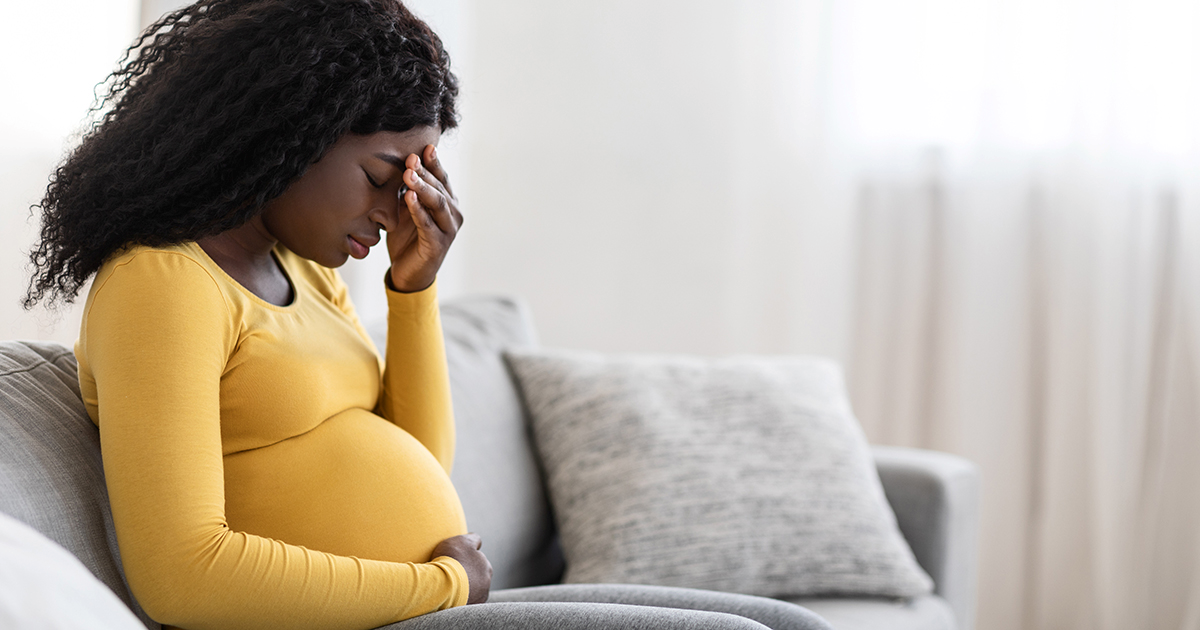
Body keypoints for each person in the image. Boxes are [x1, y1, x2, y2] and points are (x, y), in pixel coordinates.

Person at [25, 1, 826, 629]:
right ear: (286, 135)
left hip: (412, 607)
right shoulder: (162, 283)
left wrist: (414, 292)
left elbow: (421, 462)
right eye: (383, 173)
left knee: (790, 625)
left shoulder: (302, 266)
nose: (399, 205)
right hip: (362, 618)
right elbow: (182, 575)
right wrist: (439, 585)